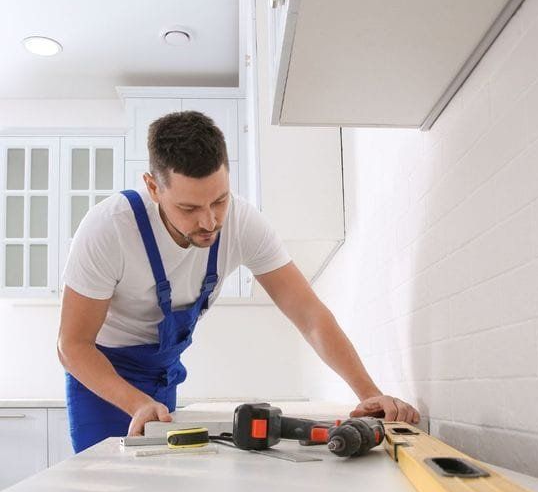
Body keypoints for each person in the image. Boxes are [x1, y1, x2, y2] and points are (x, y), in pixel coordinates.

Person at [57, 111, 420, 453]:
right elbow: (72, 345)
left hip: (162, 377)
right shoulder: (109, 229)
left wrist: (369, 393)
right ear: (153, 188)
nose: (210, 221)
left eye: (219, 200)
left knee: (158, 491)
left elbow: (310, 316)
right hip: (100, 376)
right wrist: (134, 401)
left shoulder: (243, 224)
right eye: (189, 209)